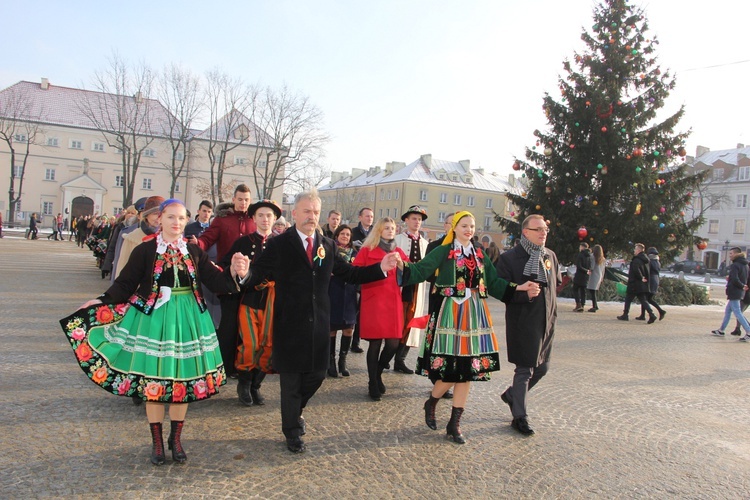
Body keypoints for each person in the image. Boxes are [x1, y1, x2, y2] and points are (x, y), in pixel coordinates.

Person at [59, 199, 248, 465]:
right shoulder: (146, 251)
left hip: (189, 322)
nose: (177, 223)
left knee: (183, 382)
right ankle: (158, 442)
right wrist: (101, 300)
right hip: (154, 322)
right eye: (171, 217)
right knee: (155, 384)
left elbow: (217, 282)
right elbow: (125, 284)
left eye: (182, 218)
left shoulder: (193, 251)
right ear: (160, 219)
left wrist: (236, 272)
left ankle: (176, 438)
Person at [241, 190, 399, 453]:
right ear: (295, 213)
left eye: (315, 212)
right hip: (289, 324)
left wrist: (380, 267)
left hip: (319, 325)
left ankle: (295, 411)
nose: (311, 216)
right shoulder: (280, 245)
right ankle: (292, 431)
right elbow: (258, 274)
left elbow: (349, 273)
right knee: (291, 383)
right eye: (306, 211)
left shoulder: (327, 244)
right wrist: (245, 273)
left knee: (316, 376)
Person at [398, 211, 539, 444]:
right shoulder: (443, 251)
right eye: (464, 225)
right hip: (450, 314)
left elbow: (493, 283)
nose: (469, 230)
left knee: (469, 371)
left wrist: (520, 287)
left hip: (474, 315)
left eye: (472, 226)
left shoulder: (479, 254)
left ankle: (454, 424)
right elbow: (421, 270)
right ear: (454, 227)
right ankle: (432, 401)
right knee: (452, 370)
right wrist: (401, 265)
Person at [496, 214, 561, 436]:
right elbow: (501, 290)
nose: (543, 233)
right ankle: (520, 417)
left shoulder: (549, 255)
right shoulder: (510, 258)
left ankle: (512, 395)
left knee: (542, 368)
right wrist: (521, 290)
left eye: (545, 229)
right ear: (525, 232)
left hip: (546, 321)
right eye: (538, 229)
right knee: (525, 369)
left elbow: (555, 286)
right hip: (522, 320)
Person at [191, 185, 256, 378]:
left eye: (246, 200)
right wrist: (198, 244)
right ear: (234, 199)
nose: (243, 203)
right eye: (240, 199)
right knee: (228, 325)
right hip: (228, 278)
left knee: (247, 323)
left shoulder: (254, 220)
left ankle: (243, 363)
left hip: (251, 279)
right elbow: (207, 239)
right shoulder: (222, 220)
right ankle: (226, 365)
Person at [221, 199, 280, 406]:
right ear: (254, 218)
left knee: (268, 346)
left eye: (269, 216)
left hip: (273, 301)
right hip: (249, 299)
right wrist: (234, 269)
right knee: (250, 344)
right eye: (261, 215)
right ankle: (244, 383)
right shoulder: (243, 242)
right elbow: (225, 265)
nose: (265, 219)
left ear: (275, 219)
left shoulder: (282, 243)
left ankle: (256, 385)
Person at [353, 217, 408, 401]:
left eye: (392, 228)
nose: (390, 230)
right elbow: (356, 272)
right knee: (375, 343)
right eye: (386, 228)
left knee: (393, 343)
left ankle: (377, 373)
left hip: (393, 302)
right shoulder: (367, 250)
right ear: (379, 230)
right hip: (374, 300)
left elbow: (409, 274)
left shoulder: (399, 251)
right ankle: (372, 383)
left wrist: (402, 265)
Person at [393, 205, 429, 375]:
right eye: (414, 218)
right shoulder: (397, 240)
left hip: (417, 288)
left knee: (411, 322)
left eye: (419, 219)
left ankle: (400, 359)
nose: (417, 222)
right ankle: (387, 356)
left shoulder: (425, 244)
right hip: (399, 286)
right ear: (406, 220)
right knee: (395, 320)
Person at [327, 224, 358, 378]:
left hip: (350, 294)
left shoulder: (355, 253)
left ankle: (342, 361)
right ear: (337, 236)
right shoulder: (330, 250)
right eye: (342, 234)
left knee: (348, 328)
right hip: (333, 292)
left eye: (348, 234)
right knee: (331, 329)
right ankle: (330, 361)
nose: (345, 236)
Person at [349, 207, 375, 354]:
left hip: (369, 275)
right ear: (360, 217)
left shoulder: (374, 233)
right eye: (367, 216)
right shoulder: (353, 232)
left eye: (371, 217)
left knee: (363, 311)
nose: (369, 219)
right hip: (356, 273)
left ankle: (356, 341)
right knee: (355, 310)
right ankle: (350, 338)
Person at [712, 247, 750, 340]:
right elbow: (742, 277)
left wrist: (740, 285)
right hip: (739, 291)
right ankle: (721, 330)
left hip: (735, 291)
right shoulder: (745, 265)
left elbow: (736, 279)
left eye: (731, 253)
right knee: (728, 311)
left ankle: (749, 332)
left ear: (736, 254)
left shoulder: (735, 265)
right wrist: (742, 285)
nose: (730, 255)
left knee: (738, 312)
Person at [617, 243, 656, 324]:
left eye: (635, 249)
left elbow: (636, 270)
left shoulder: (636, 260)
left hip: (634, 283)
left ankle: (625, 314)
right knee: (643, 300)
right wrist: (644, 278)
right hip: (642, 283)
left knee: (628, 299)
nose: (634, 251)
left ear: (638, 250)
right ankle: (651, 314)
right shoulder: (646, 260)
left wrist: (640, 277)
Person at [637, 247, 667, 321]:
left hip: (650, 280)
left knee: (645, 298)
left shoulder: (650, 261)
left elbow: (646, 271)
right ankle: (643, 315)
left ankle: (660, 311)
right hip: (655, 280)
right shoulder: (657, 262)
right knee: (647, 298)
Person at [572, 242, 593, 312]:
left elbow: (579, 266)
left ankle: (578, 304)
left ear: (582, 247)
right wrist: (587, 271)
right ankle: (583, 305)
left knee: (575, 289)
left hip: (579, 275)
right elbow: (590, 266)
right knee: (583, 291)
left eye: (580, 247)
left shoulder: (580, 255)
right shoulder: (589, 255)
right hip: (586, 276)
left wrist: (584, 270)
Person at [586, 244, 605, 312]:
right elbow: (603, 269)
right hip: (599, 275)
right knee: (594, 291)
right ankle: (595, 305)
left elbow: (592, 267)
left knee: (592, 291)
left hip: (593, 275)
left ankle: (594, 306)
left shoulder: (593, 256)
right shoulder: (602, 258)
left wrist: (588, 270)